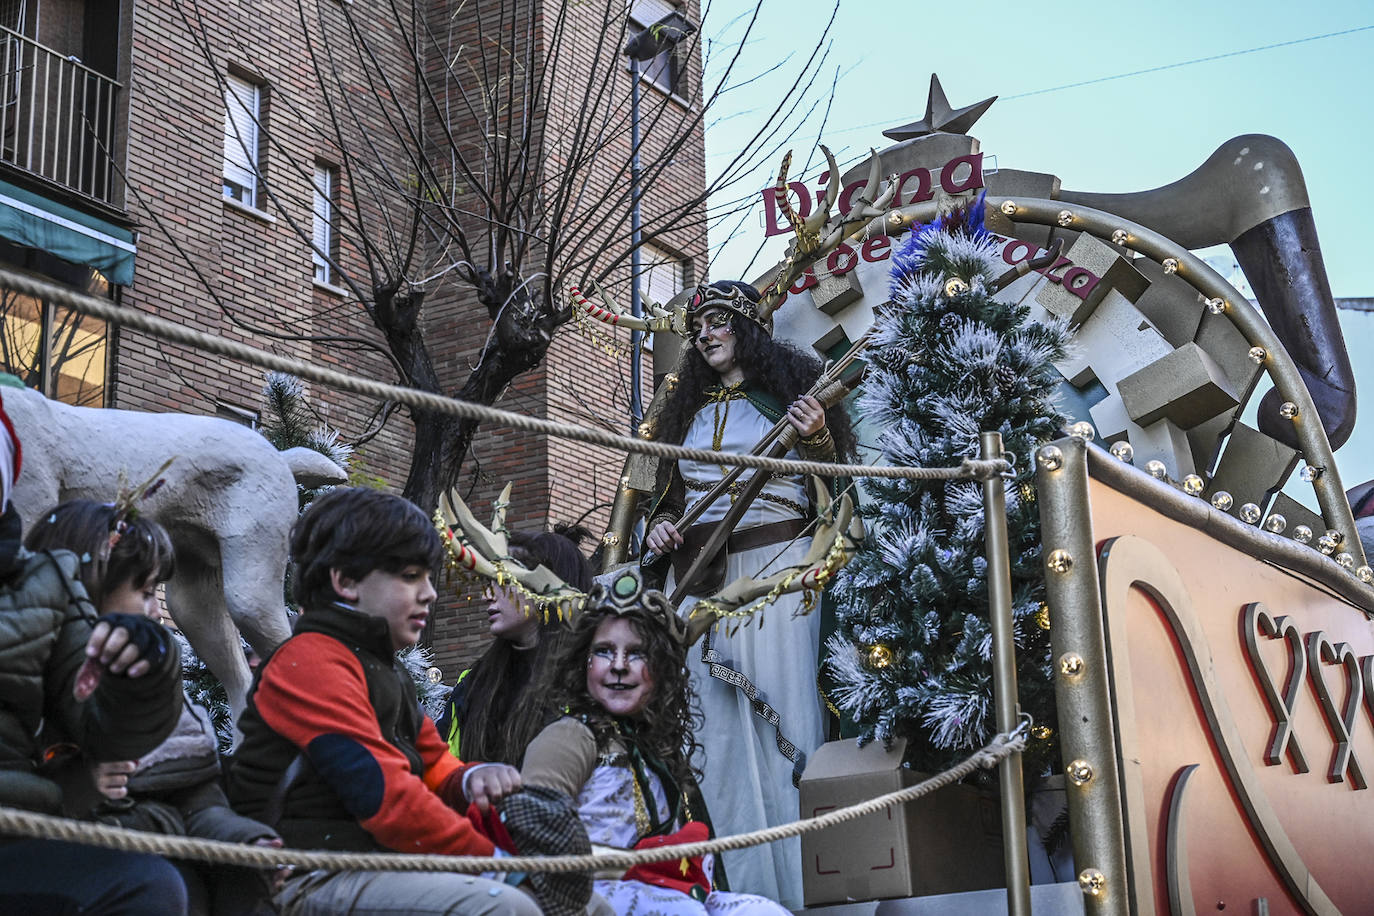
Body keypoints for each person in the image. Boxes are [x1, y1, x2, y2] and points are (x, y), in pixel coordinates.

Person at [226, 486, 541, 916]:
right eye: (411, 576)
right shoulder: (310, 661)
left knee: (588, 905)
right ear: (346, 581)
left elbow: (432, 762)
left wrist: (472, 779)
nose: (429, 593)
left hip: (371, 865)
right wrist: (495, 865)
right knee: (505, 907)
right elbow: (383, 794)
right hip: (300, 876)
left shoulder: (384, 668)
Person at [640, 280, 855, 906]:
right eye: (698, 325)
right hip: (696, 579)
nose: (704, 334)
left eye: (719, 322)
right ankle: (743, 891)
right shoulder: (684, 413)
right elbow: (669, 498)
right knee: (709, 733)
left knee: (785, 718)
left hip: (776, 576)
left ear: (748, 330)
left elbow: (840, 486)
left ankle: (803, 890)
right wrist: (660, 524)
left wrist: (814, 438)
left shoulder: (787, 398)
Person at [24, 499, 283, 916]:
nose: (156, 614)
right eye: (145, 592)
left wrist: (246, 840)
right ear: (86, 587)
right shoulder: (29, 682)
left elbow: (201, 806)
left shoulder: (175, 712)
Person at [0, 395, 190, 915]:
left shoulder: (42, 590)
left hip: (26, 837)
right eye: (145, 593)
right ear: (96, 583)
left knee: (157, 884)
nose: (156, 611)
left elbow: (106, 730)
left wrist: (147, 664)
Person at [521, 566, 790, 915]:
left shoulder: (656, 749)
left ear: (662, 670)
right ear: (583, 663)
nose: (619, 665)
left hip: (665, 891)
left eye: (637, 653)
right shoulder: (570, 735)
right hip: (587, 895)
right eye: (604, 651)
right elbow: (533, 833)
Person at [437, 524, 594, 764]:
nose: (486, 595)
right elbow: (443, 768)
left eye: (502, 580)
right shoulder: (473, 682)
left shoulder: (592, 686)